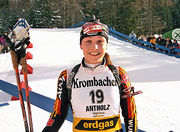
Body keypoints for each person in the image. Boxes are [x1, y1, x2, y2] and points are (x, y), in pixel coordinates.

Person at [42, 19, 138, 132]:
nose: (95, 47)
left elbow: (130, 115)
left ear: (107, 45)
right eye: (88, 41)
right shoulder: (67, 76)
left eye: (100, 41)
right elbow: (58, 114)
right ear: (80, 45)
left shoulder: (119, 73)